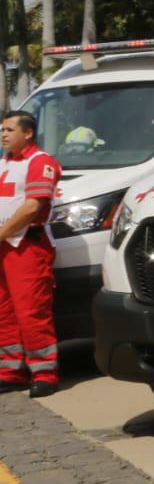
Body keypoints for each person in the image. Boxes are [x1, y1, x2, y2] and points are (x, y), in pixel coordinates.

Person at [0, 111, 62, 398]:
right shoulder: (4, 163)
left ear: (28, 133)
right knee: (4, 312)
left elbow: (33, 206)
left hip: (27, 246)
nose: (3, 134)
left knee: (31, 311)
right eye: (2, 129)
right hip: (4, 246)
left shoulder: (41, 162)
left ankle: (45, 373)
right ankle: (11, 371)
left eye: (10, 129)